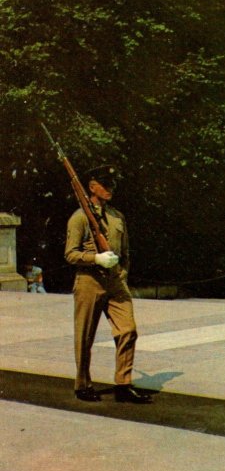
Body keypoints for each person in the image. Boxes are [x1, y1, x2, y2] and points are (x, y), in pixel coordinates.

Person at [64, 165, 151, 404]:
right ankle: (82, 385)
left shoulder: (116, 216)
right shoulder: (79, 217)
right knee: (85, 337)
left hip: (114, 282)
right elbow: (70, 254)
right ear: (92, 187)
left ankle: (123, 384)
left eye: (113, 183)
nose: (111, 188)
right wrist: (95, 258)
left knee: (128, 330)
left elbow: (126, 252)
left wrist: (122, 274)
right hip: (89, 281)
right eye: (105, 184)